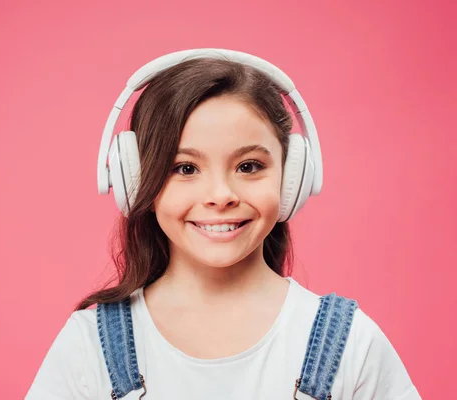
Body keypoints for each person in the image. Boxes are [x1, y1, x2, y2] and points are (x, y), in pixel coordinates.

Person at [25, 49, 420, 399]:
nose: (220, 194)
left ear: (293, 177)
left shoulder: (350, 343)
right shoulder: (89, 345)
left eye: (249, 166)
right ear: (135, 180)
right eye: (185, 167)